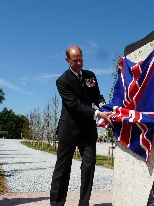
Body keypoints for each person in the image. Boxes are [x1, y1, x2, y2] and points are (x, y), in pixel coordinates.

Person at [50, 46, 112, 206]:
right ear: (67, 60)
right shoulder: (62, 81)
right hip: (69, 129)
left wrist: (102, 104)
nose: (79, 63)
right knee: (62, 170)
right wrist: (98, 114)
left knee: (89, 168)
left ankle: (84, 203)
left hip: (87, 131)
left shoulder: (90, 76)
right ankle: (57, 203)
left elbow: (96, 94)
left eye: (81, 59)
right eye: (75, 60)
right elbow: (74, 105)